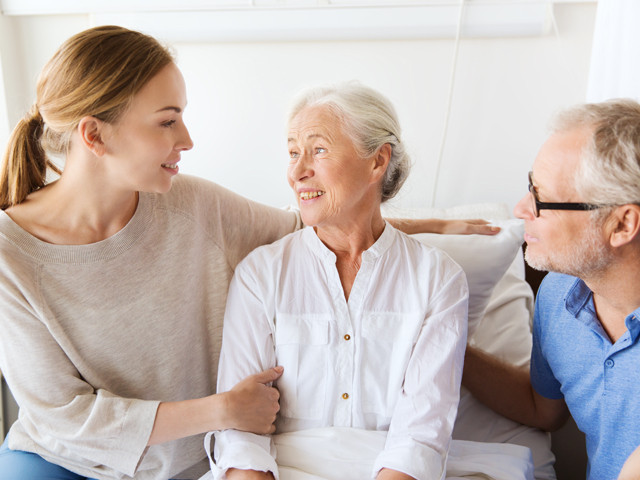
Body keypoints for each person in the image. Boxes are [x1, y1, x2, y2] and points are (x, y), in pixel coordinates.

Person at [0, 26, 496, 480]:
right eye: (168, 121)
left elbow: (320, 224)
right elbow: (64, 417)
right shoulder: (10, 257)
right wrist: (223, 410)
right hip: (63, 461)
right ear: (94, 135)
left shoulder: (192, 205)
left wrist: (435, 224)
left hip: (188, 463)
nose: (187, 139)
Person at [211, 83, 469, 480]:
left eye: (318, 150)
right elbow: (240, 434)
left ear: (377, 161)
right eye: (293, 153)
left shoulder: (438, 278)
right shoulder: (260, 274)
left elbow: (420, 436)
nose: (298, 173)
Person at [461, 99, 640, 480]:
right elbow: (543, 410)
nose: (521, 208)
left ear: (622, 224)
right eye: (531, 186)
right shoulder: (559, 296)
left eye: (541, 198)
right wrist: (446, 344)